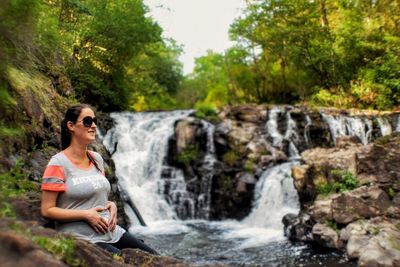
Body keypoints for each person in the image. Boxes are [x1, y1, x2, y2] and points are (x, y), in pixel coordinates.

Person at [41, 104, 158, 255]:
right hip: (81, 238)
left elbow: (96, 195)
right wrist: (85, 214)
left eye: (94, 121)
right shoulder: (58, 163)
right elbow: (47, 210)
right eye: (87, 121)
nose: (94, 125)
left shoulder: (96, 159)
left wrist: (111, 205)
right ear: (71, 126)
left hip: (112, 232)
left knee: (154, 257)